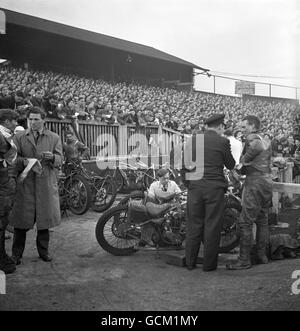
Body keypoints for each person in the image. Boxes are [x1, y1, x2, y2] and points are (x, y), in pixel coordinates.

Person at [9, 106, 63, 265]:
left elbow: (61, 159)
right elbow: (12, 159)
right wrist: (25, 161)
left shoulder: (54, 137)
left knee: (44, 223)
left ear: (43, 120)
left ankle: (43, 252)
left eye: (36, 119)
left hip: (45, 183)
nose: (33, 122)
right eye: (30, 119)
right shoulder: (18, 137)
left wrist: (53, 157)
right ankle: (16, 255)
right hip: (25, 184)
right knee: (20, 223)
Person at [183, 114, 235, 271]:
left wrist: (189, 184)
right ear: (220, 127)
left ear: (207, 126)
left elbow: (183, 164)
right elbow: (231, 164)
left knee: (194, 225)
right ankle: (209, 265)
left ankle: (190, 263)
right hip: (214, 189)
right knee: (212, 226)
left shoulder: (193, 140)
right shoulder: (223, 141)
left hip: (195, 188)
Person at [226, 115, 272, 270]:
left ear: (253, 127)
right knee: (262, 219)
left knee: (245, 222)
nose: (242, 130)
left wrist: (238, 167)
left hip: (255, 182)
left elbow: (246, 161)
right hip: (266, 182)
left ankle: (244, 259)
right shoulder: (265, 139)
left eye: (244, 127)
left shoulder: (252, 141)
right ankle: (261, 255)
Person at [138, 168, 181, 246]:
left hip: (170, 205)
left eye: (168, 178)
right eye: (164, 178)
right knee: (149, 217)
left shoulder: (173, 184)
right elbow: (150, 197)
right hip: (158, 206)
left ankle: (173, 236)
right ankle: (146, 238)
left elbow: (179, 193)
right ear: (159, 178)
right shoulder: (154, 185)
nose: (166, 180)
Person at [0, 109, 19, 274]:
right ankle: (1, 259)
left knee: (3, 221)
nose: (16, 123)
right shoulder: (1, 136)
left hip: (6, 183)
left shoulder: (6, 134)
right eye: (14, 120)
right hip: (3, 183)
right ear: (6, 121)